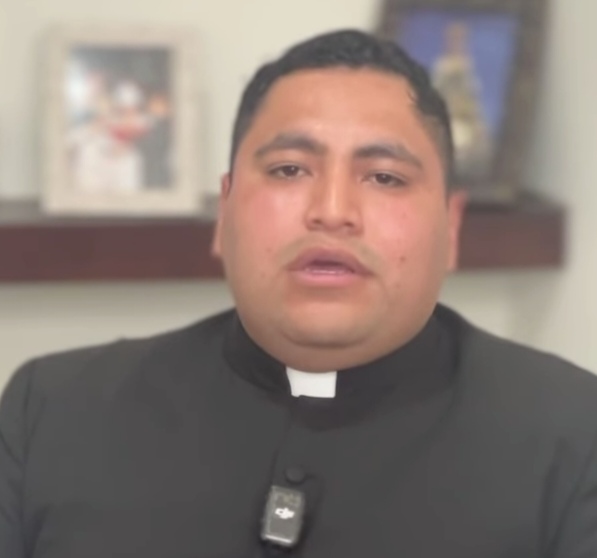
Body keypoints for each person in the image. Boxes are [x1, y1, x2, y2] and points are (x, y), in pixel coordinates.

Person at [1, 29, 596, 558]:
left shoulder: (575, 434)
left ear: (452, 227)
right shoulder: (49, 413)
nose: (332, 211)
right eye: (289, 169)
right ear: (225, 211)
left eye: (385, 177)